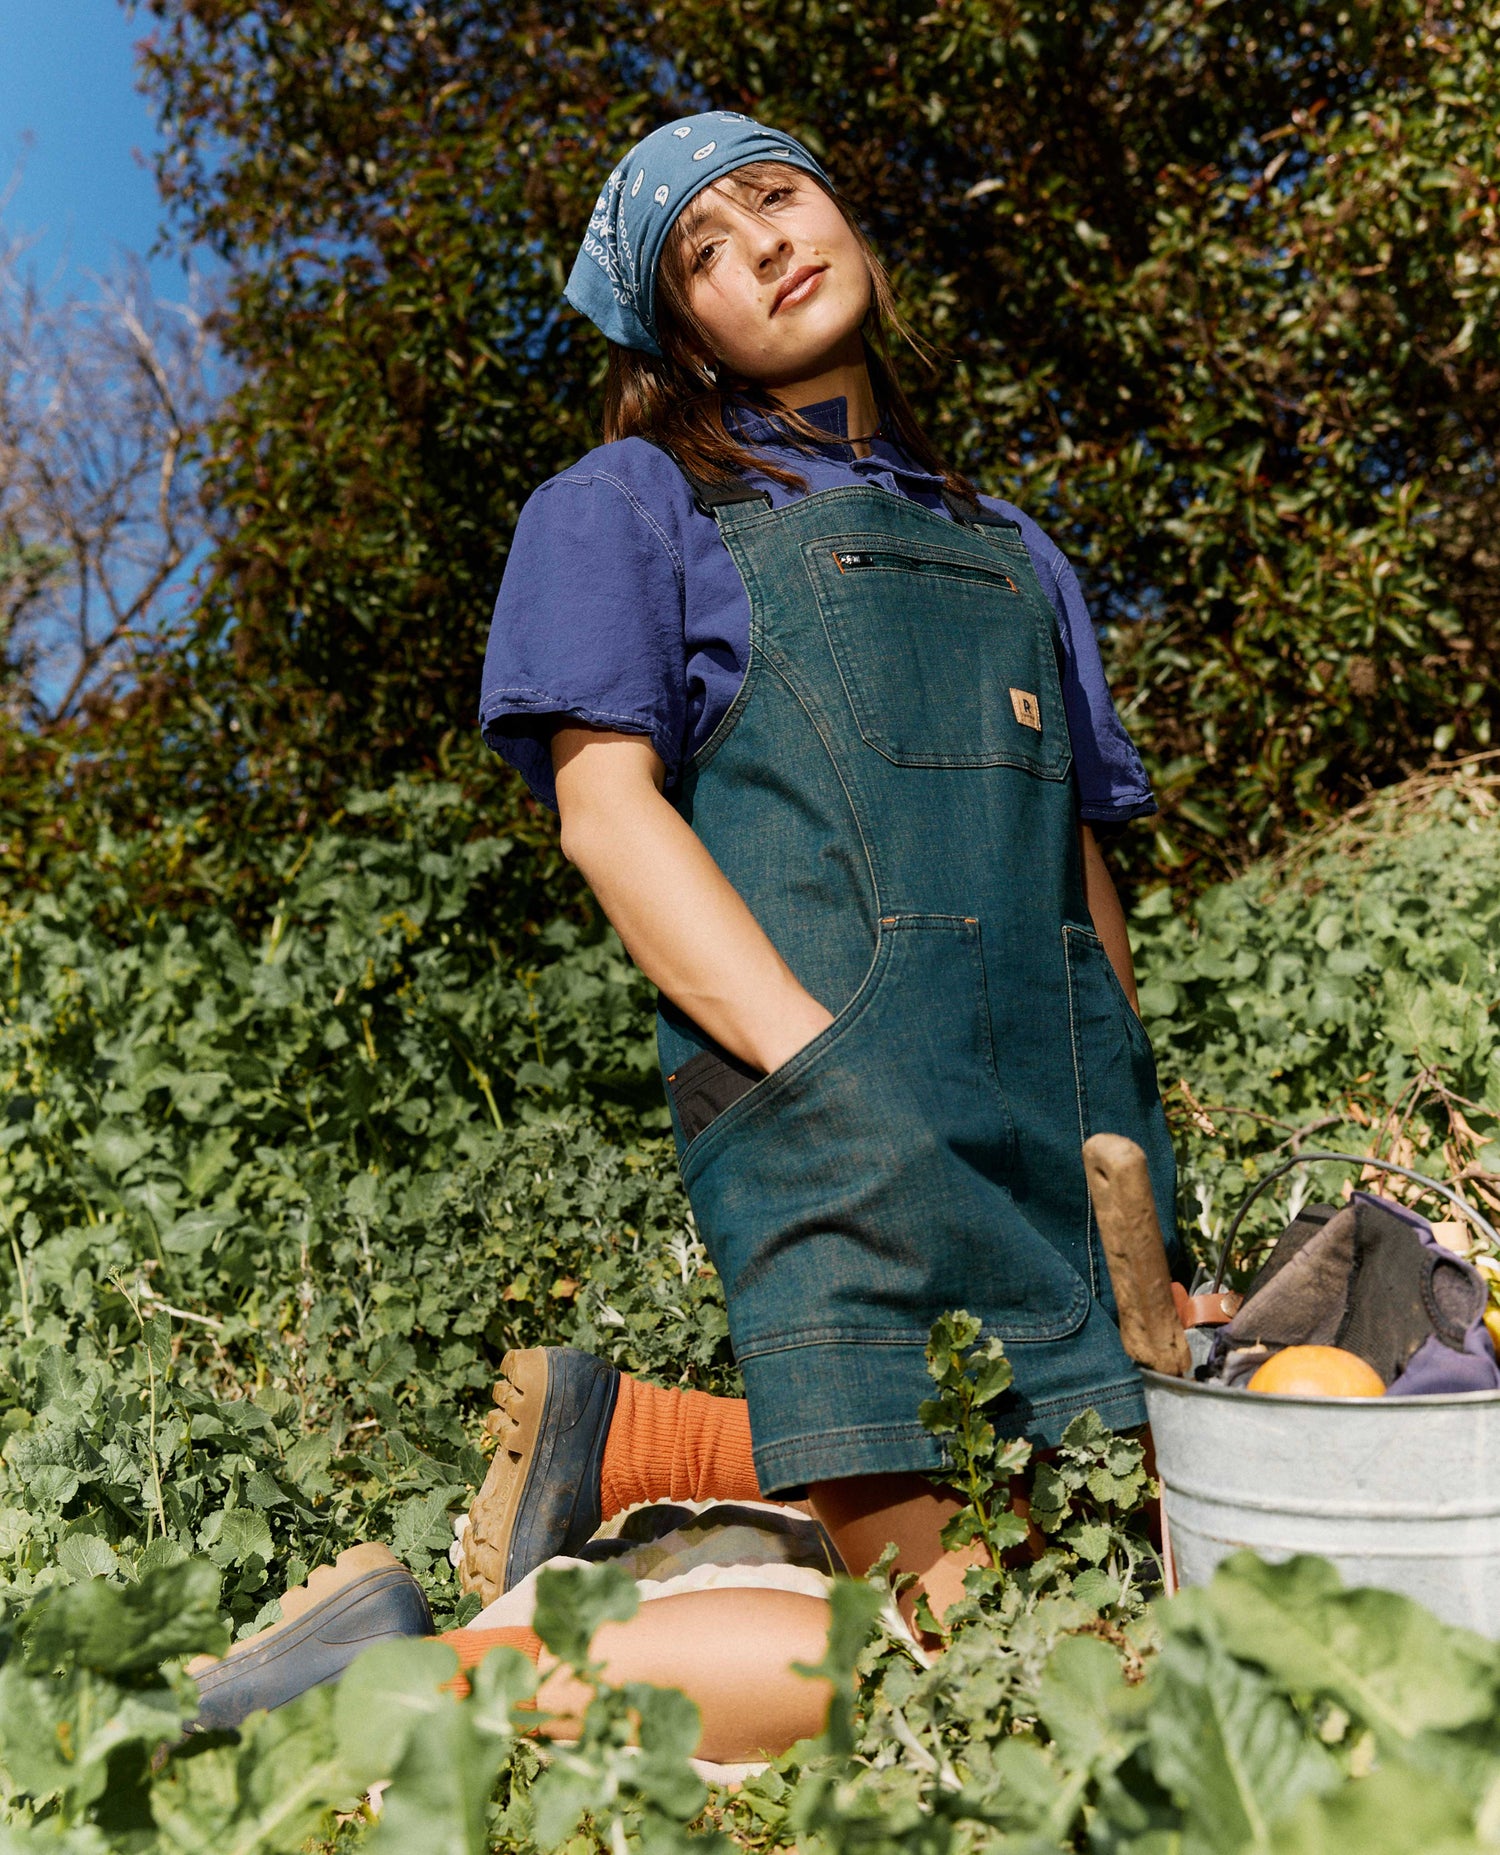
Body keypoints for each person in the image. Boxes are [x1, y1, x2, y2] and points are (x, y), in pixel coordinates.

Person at [189, 108, 1179, 1757]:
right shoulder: (627, 508)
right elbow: (609, 815)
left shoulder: (1018, 548)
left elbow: (1076, 860)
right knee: (1004, 1665)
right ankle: (381, 1691)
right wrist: (827, 1068)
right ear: (678, 336)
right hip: (843, 1119)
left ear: (846, 207)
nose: (762, 247)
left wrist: (1132, 1121)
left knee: (1152, 1584)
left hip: (1072, 1149)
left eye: (777, 197)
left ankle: (623, 1481)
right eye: (702, 253)